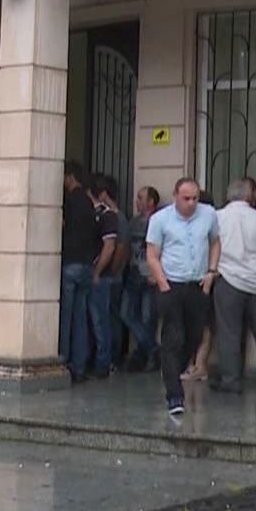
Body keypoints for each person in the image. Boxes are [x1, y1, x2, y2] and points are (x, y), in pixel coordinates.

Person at [145, 178, 219, 416]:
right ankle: (174, 395)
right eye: (186, 198)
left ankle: (174, 370)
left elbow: (215, 241)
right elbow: (152, 254)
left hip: (197, 284)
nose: (191, 203)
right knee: (173, 337)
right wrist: (163, 283)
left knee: (194, 336)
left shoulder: (208, 215)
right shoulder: (160, 219)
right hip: (171, 284)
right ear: (175, 196)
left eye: (195, 198)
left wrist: (211, 272)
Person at [210, 178, 256, 395]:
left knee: (229, 333)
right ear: (249, 195)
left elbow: (207, 247)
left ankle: (231, 380)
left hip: (227, 280)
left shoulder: (217, 218)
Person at [58, 162, 103, 382]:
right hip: (86, 264)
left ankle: (63, 361)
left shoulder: (69, 201)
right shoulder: (87, 201)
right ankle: (79, 365)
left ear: (70, 177)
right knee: (81, 317)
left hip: (70, 262)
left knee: (66, 317)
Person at [120, 186, 161, 371]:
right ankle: (152, 349)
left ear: (151, 202)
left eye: (140, 198)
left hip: (150, 277)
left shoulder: (158, 222)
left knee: (147, 318)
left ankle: (146, 354)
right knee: (126, 314)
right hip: (134, 273)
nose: (137, 202)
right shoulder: (134, 222)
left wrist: (157, 273)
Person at [88, 174, 124, 377]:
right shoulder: (101, 215)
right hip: (101, 274)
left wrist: (98, 272)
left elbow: (111, 247)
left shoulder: (108, 216)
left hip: (102, 276)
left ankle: (104, 362)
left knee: (101, 320)